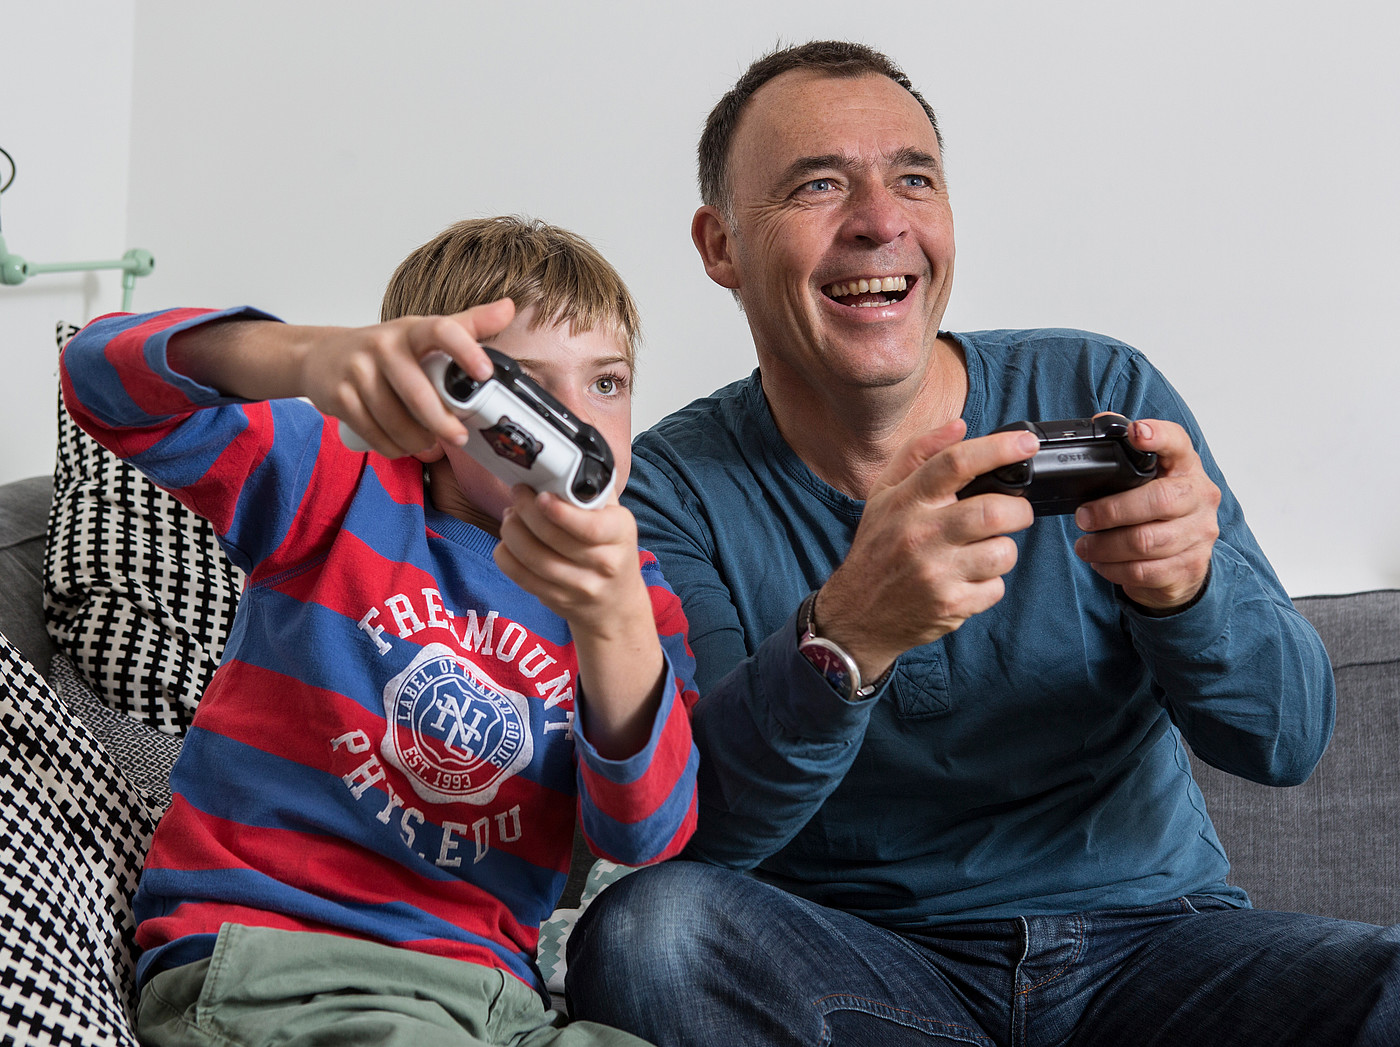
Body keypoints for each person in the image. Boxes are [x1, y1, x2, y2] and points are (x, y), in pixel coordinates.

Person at [564, 41, 1400, 1046]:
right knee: (644, 934)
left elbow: (1286, 741)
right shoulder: (667, 489)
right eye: (817, 186)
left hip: (1151, 955)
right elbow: (698, 835)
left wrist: (1185, 594)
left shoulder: (1098, 389)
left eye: (912, 179)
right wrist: (846, 638)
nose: (881, 223)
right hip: (861, 970)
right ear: (720, 246)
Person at [61, 215, 699, 1047]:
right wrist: (303, 356)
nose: (576, 424)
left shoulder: (633, 593)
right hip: (282, 965)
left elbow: (645, 835)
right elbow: (99, 378)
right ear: (428, 398)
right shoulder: (339, 485)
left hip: (493, 999)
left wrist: (611, 627)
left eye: (606, 384)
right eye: (529, 393)